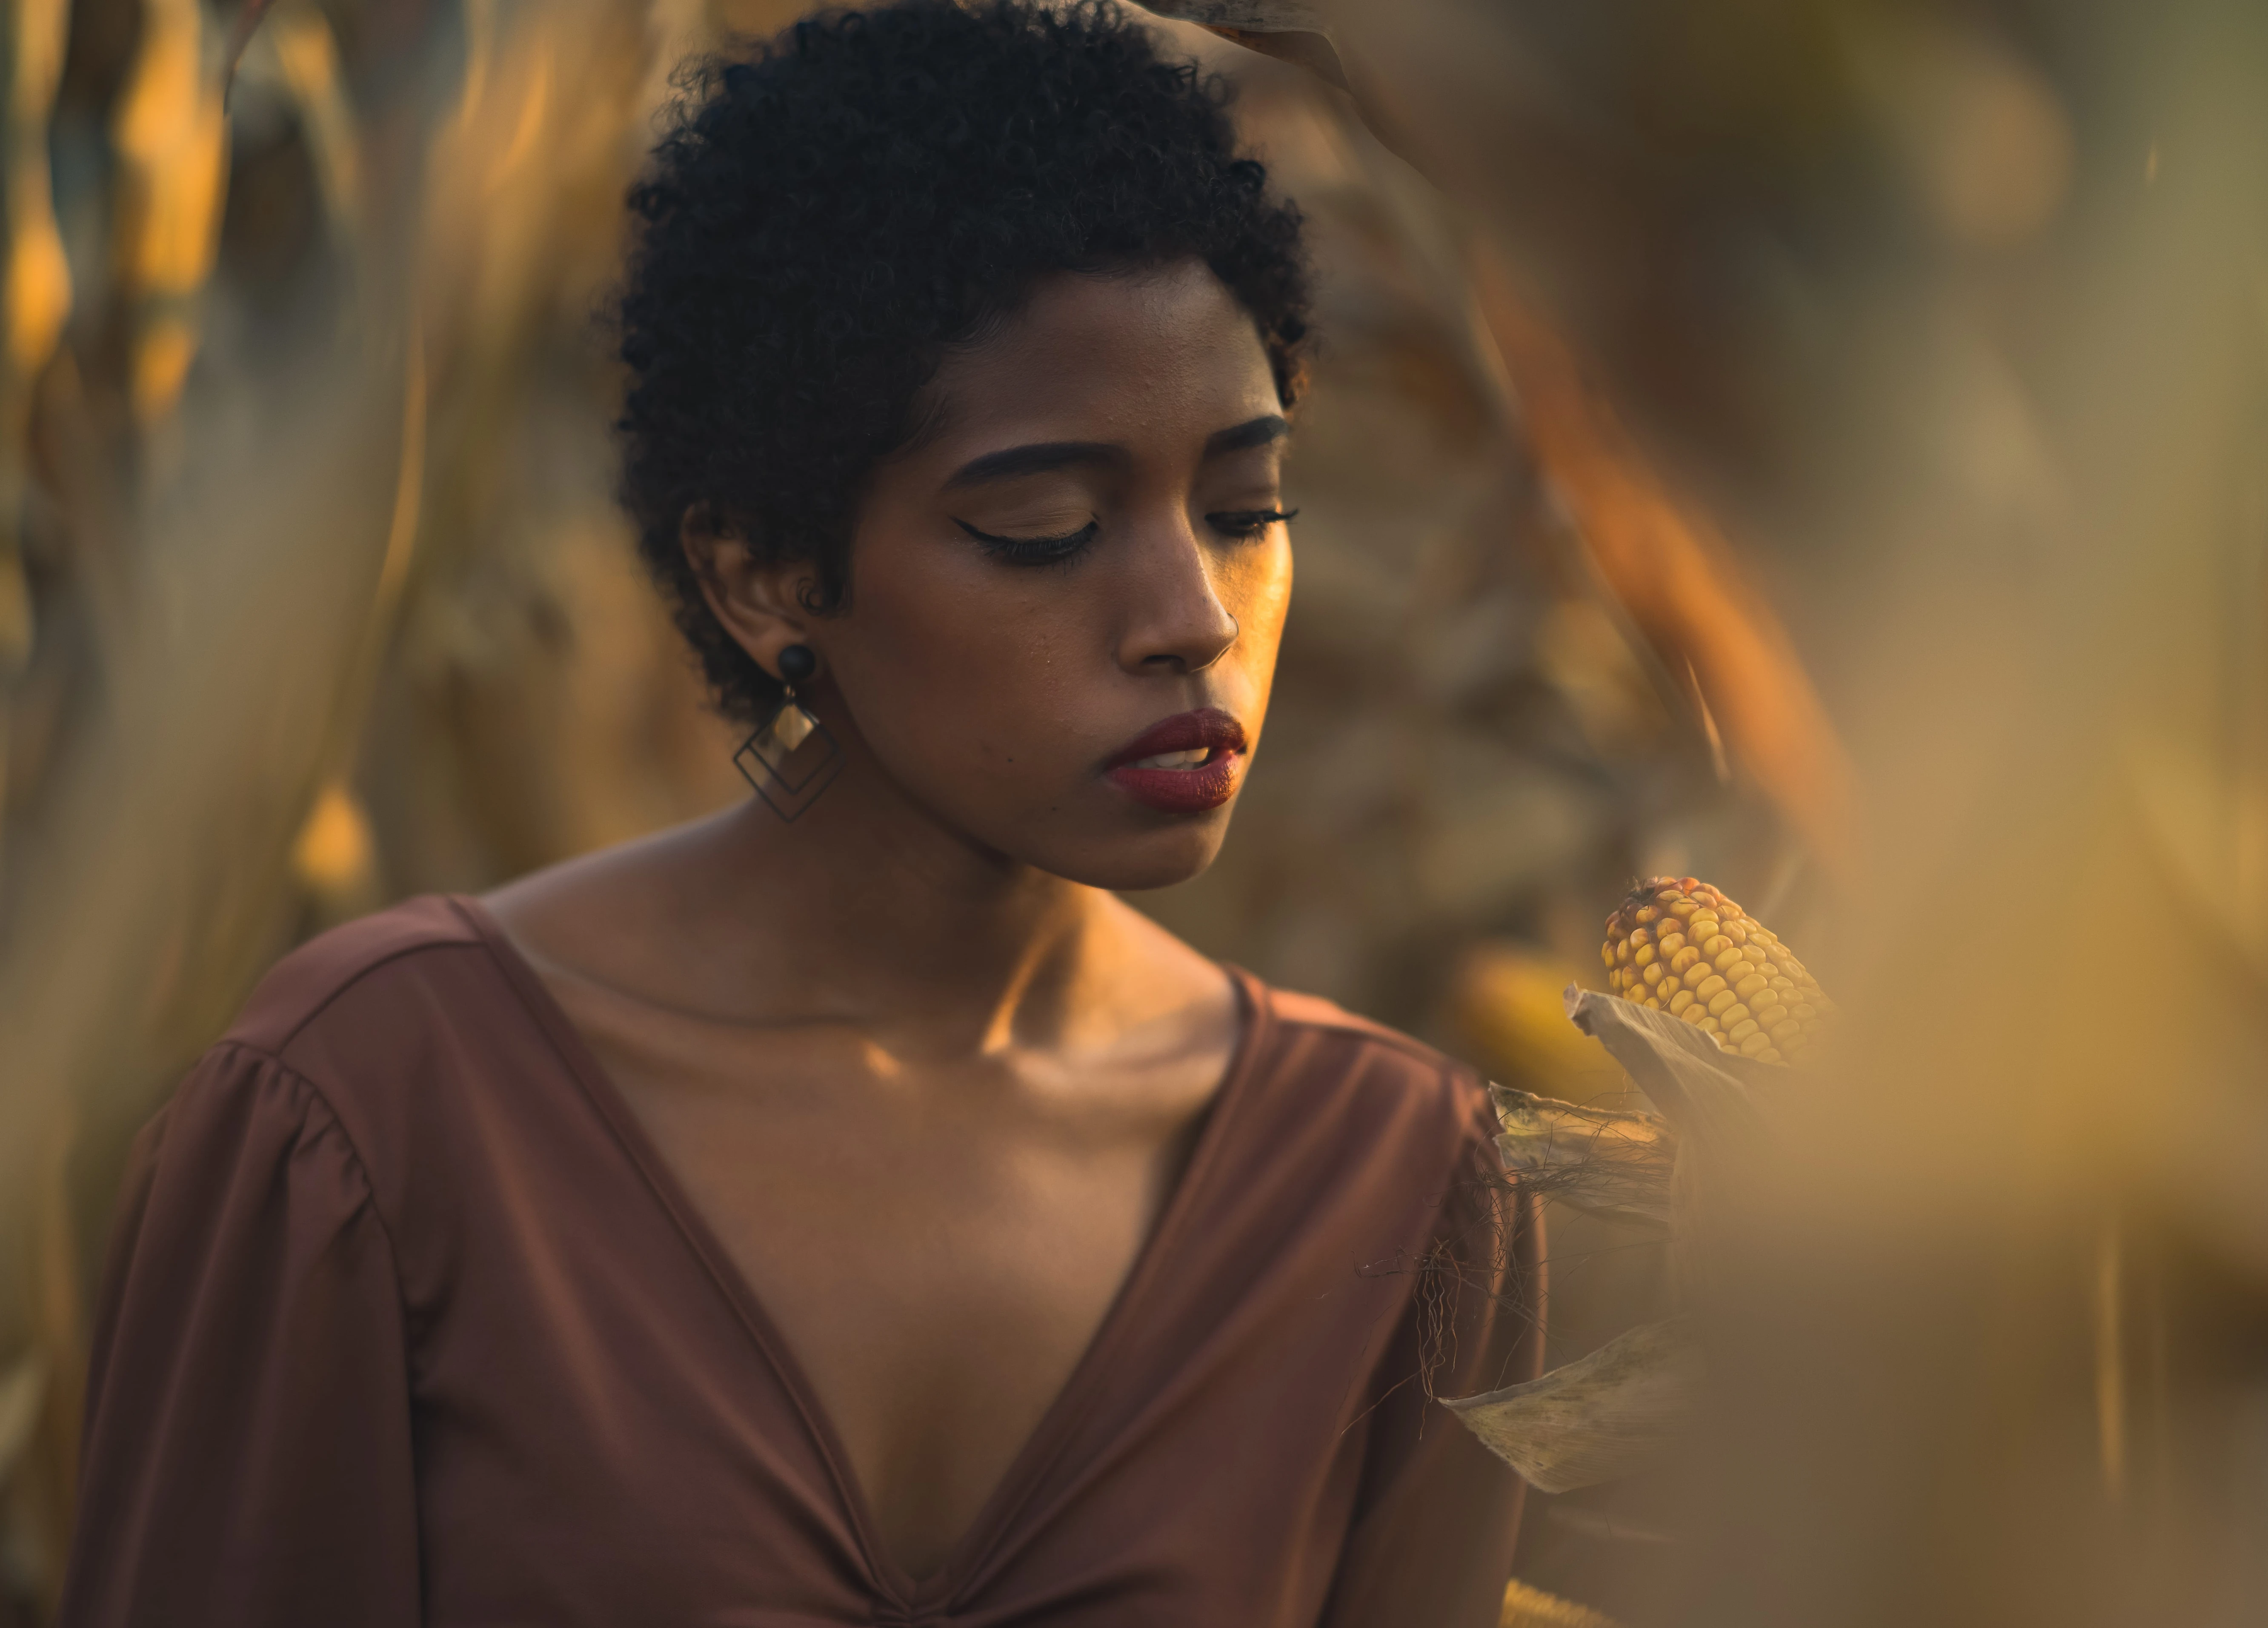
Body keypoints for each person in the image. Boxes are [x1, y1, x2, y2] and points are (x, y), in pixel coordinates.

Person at [59, 4, 1541, 1623]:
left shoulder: (1395, 1193)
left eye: (1246, 510)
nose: (1191, 613)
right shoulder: (374, 1115)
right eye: (1043, 524)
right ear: (763, 576)